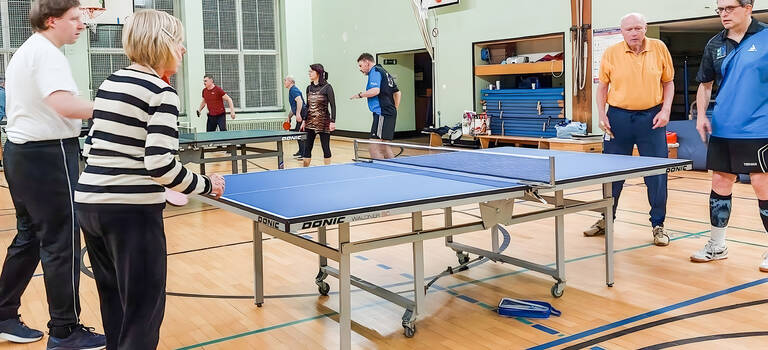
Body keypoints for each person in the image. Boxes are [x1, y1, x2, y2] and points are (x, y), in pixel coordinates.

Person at [74, 10, 225, 349]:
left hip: (89, 205)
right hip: (131, 212)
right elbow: (160, 165)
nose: (183, 50)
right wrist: (206, 185)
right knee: (143, 311)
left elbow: (91, 146)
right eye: (179, 43)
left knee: (115, 303)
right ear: (162, 44)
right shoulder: (161, 92)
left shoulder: (110, 81)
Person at [0, 1, 106, 348]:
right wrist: (116, 104)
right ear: (52, 20)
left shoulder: (28, 51)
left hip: (21, 154)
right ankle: (65, 331)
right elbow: (64, 104)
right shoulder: (47, 54)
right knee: (61, 242)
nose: (81, 25)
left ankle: (2, 314)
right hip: (49, 155)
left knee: (29, 237)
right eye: (75, 19)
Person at [690, 0, 768, 270]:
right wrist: (701, 116)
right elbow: (705, 84)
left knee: (762, 186)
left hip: (759, 127)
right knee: (720, 185)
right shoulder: (715, 44)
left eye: (729, 8)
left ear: (749, 7)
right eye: (720, 9)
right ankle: (717, 245)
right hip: (723, 128)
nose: (724, 14)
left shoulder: (766, 38)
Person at [585, 13, 675, 247]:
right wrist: (602, 114)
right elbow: (602, 87)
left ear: (645, 28)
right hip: (618, 118)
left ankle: (658, 225)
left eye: (638, 28)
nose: (634, 33)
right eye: (629, 29)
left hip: (651, 118)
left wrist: (666, 111)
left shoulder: (659, 48)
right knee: (612, 174)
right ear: (621, 32)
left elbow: (668, 82)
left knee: (656, 175)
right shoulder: (611, 53)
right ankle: (607, 218)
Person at [350, 53, 401, 159]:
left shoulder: (375, 71)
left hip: (382, 112)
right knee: (385, 147)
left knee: (374, 148)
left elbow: (375, 90)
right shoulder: (385, 72)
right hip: (388, 112)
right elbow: (398, 92)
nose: (360, 69)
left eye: (360, 65)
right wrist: (395, 108)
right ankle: (393, 171)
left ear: (366, 62)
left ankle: (380, 171)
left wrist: (359, 95)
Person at [301, 64, 336, 167]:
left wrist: (332, 121)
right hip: (310, 122)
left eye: (311, 71)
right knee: (307, 147)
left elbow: (333, 105)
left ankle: (327, 169)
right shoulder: (309, 88)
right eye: (309, 72)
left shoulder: (327, 87)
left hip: (324, 122)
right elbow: (307, 106)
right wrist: (304, 120)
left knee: (325, 147)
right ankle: (305, 169)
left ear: (318, 73)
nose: (309, 73)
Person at [283, 75, 305, 159]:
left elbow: (300, 101)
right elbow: (294, 107)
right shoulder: (291, 90)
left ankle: (303, 153)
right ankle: (301, 151)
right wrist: (289, 117)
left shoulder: (294, 90)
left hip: (303, 114)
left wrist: (298, 114)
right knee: (297, 132)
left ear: (290, 82)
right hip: (300, 113)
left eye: (285, 80)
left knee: (300, 133)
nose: (284, 82)